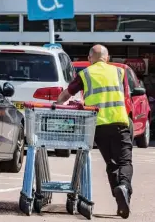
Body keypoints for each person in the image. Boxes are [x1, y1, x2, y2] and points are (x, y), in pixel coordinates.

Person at [55, 44, 133, 219]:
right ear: (107, 57)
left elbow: (67, 94)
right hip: (119, 122)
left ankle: (119, 198)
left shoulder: (85, 74)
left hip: (97, 126)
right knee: (125, 161)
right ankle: (124, 187)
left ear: (90, 58)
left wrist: (57, 105)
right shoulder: (119, 72)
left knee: (111, 164)